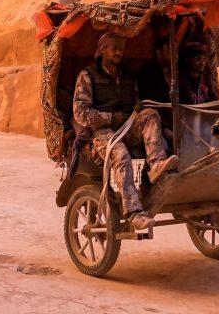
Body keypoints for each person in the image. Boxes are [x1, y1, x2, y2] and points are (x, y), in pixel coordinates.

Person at [73, 32, 179, 231]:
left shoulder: (129, 76)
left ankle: (156, 163)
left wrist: (136, 110)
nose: (119, 52)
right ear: (103, 49)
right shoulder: (87, 76)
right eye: (114, 48)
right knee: (120, 153)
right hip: (101, 132)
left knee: (149, 114)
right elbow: (80, 113)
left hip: (126, 127)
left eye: (121, 48)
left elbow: (136, 104)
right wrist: (110, 118)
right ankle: (133, 213)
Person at [179, 39, 219, 105]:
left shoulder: (207, 80)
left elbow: (212, 101)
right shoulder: (180, 82)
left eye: (204, 59)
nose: (202, 63)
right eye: (198, 59)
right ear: (187, 60)